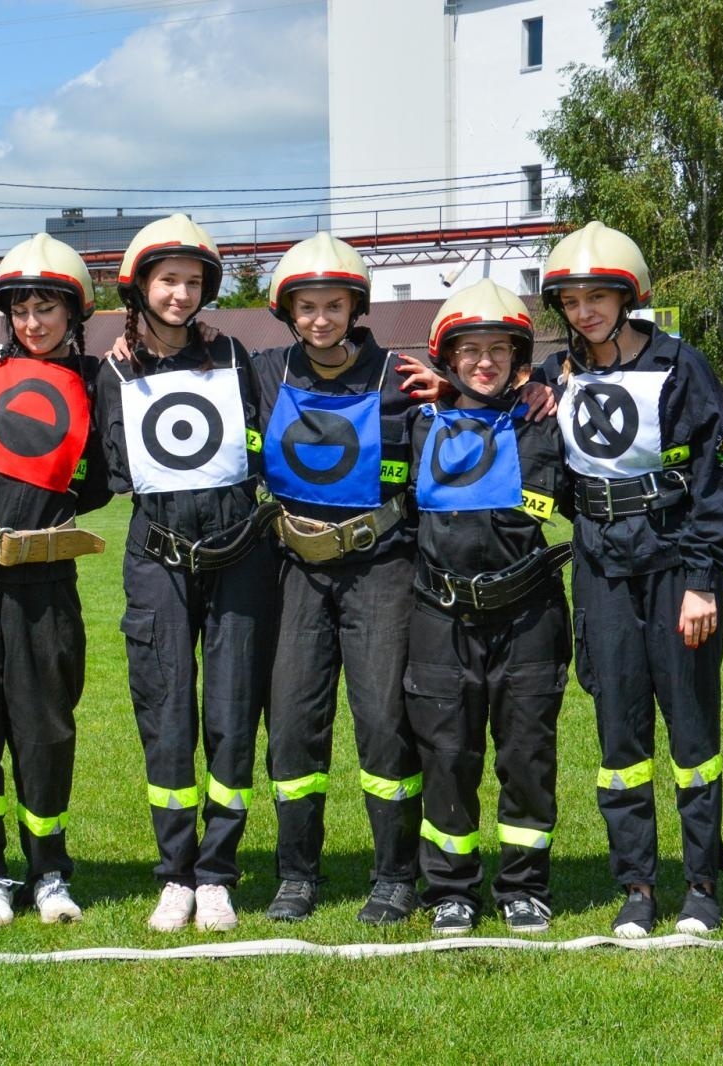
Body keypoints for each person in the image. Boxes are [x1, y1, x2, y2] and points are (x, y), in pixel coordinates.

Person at [540, 221, 723, 936]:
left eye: (599, 297)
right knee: (619, 736)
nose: (585, 311)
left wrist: (701, 580)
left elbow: (714, 483)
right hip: (600, 570)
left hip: (673, 565)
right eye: (571, 300)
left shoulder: (680, 366)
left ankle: (700, 883)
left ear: (628, 298)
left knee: (691, 728)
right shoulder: (558, 376)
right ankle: (636, 882)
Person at [97, 214, 276, 933]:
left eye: (192, 282)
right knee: (166, 715)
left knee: (233, 716)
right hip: (158, 559)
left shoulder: (233, 353)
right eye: (167, 280)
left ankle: (218, 875)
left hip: (238, 555)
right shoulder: (112, 368)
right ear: (139, 286)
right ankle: (174, 875)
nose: (180, 293)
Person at [0, 234, 111, 931]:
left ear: (74, 313)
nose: (34, 322)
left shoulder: (101, 382)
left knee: (44, 729)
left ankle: (51, 872)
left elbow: (104, 473)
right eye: (22, 309)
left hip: (44, 574)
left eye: (48, 308)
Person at [251, 233, 424, 925]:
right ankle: (296, 874)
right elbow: (185, 363)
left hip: (380, 568)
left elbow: (482, 388)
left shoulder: (402, 377)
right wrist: (129, 345)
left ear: (357, 307)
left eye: (334, 305)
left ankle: (394, 876)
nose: (320, 319)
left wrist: (536, 387)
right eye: (306, 307)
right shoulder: (265, 372)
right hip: (295, 570)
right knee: (292, 724)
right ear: (287, 311)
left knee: (384, 722)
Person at [405, 279, 572, 936]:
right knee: (447, 754)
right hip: (440, 616)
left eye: (498, 349)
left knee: (527, 754)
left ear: (518, 356)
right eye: (469, 350)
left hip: (528, 614)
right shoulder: (416, 424)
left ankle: (524, 886)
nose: (483, 362)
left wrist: (552, 382)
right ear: (448, 357)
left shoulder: (545, 419)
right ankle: (450, 888)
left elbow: (597, 372)